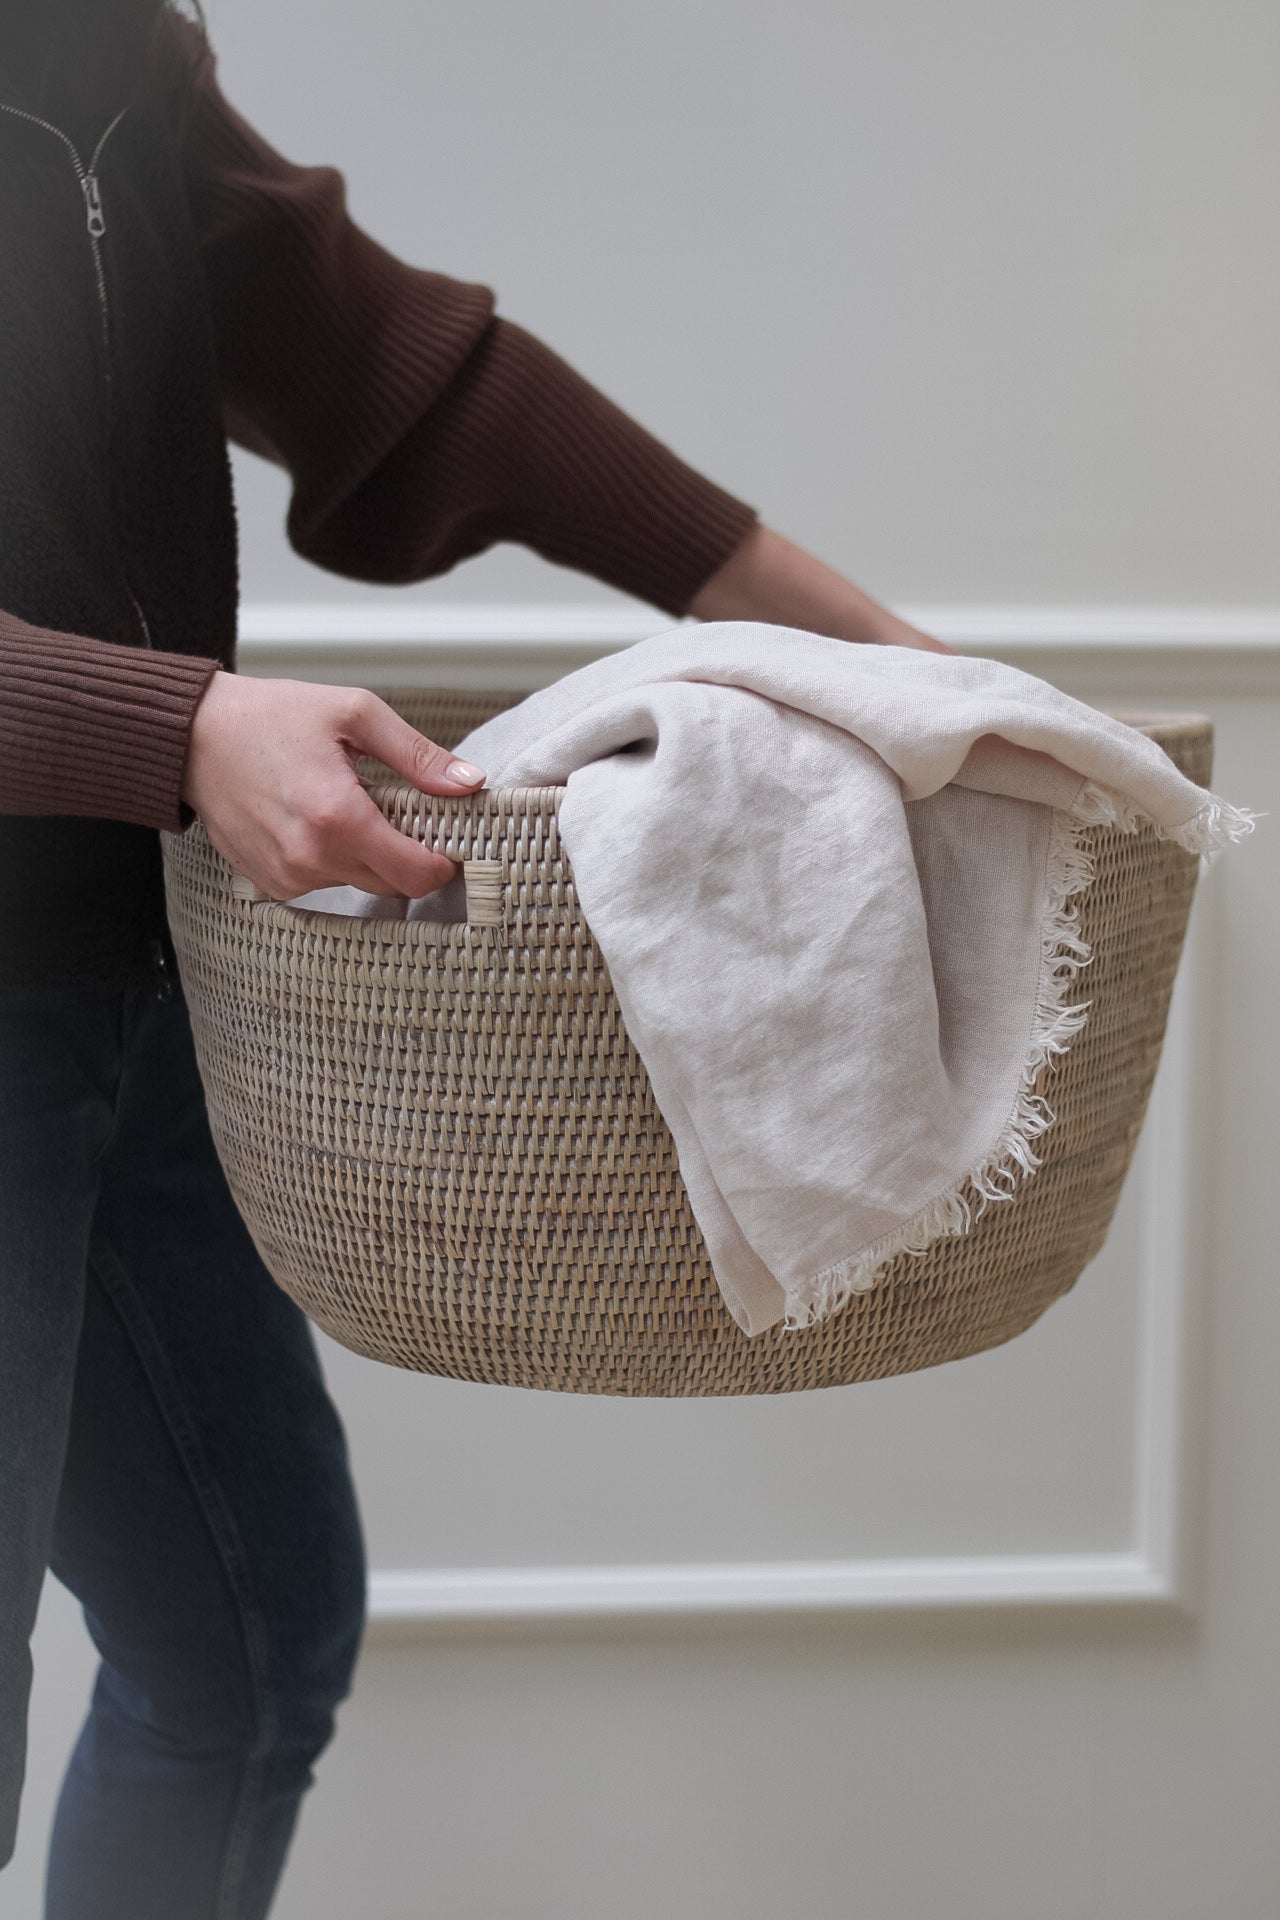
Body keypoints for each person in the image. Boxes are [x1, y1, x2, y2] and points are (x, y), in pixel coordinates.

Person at [0, 1, 946, 1913]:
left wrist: (876, 653)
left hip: (131, 979)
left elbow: (395, 372)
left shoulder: (98, 42)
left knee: (251, 1653)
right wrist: (173, 724)